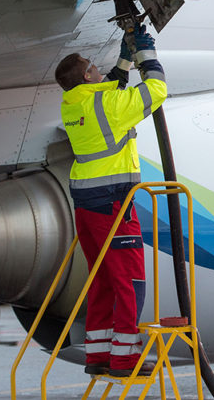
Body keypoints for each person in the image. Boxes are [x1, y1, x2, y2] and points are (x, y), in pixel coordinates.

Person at [55, 25, 167, 377]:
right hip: (114, 203)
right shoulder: (108, 105)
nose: (97, 68)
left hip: (86, 204)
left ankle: (99, 354)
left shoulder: (72, 103)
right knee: (130, 281)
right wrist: (146, 54)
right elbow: (157, 90)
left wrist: (123, 60)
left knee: (102, 278)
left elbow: (108, 89)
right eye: (93, 67)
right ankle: (125, 358)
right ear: (88, 77)